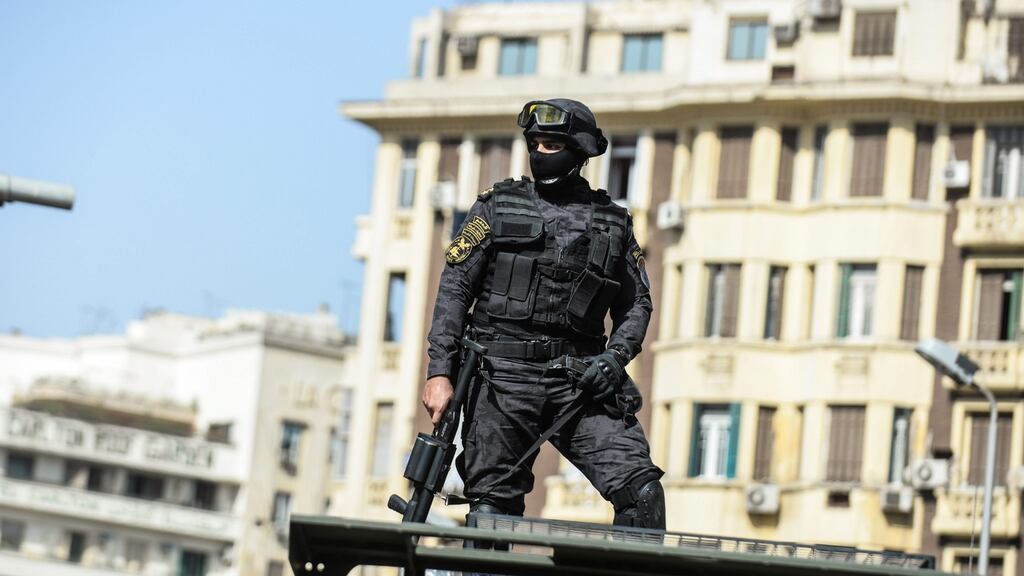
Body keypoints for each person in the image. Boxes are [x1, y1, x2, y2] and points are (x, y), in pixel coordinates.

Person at [422, 98, 665, 529]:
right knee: (493, 511)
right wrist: (439, 372)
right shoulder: (497, 206)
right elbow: (455, 289)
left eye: (552, 143)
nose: (540, 152)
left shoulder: (614, 222)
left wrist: (614, 358)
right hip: (502, 381)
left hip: (582, 381)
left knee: (642, 492)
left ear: (581, 150)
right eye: (535, 142)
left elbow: (636, 304)